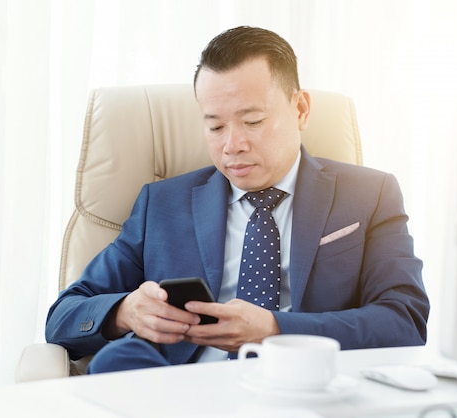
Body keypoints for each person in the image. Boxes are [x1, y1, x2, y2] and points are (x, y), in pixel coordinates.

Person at [45, 26, 429, 373]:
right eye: (215, 126)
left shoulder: (370, 194)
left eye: (253, 122)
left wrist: (276, 329)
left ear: (300, 109)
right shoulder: (160, 205)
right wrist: (124, 313)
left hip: (305, 386)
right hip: (183, 393)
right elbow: (63, 316)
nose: (233, 146)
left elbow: (405, 320)